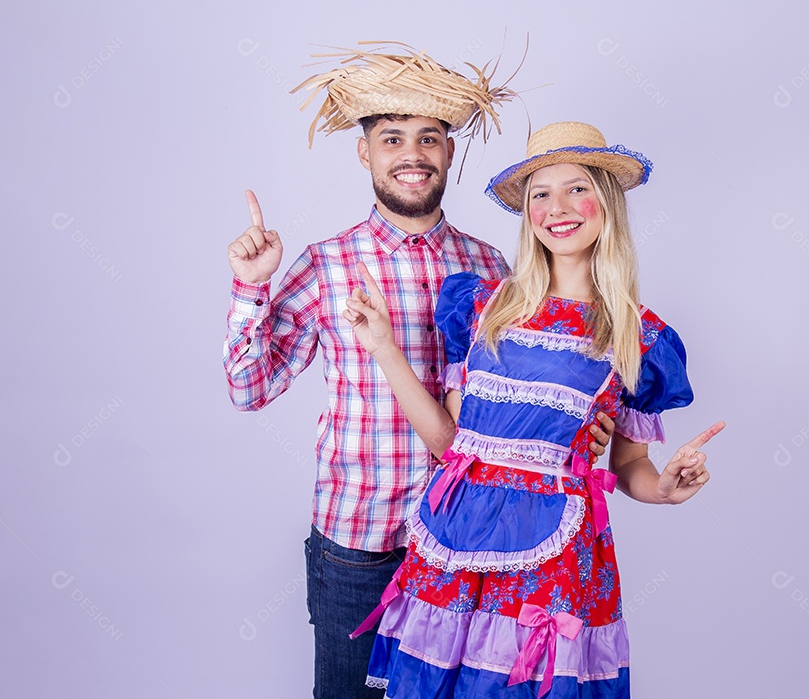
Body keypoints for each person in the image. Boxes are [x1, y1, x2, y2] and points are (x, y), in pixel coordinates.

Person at [223, 45, 616, 699]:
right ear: (365, 152)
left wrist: (587, 427)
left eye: (428, 138)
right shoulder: (328, 266)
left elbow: (543, 393)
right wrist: (250, 290)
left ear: (450, 152)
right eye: (393, 138)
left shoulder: (497, 270)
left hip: (476, 550)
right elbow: (248, 388)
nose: (413, 153)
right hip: (360, 550)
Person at [343, 120, 725, 698]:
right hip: (454, 542)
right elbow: (451, 446)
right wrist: (384, 349)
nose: (557, 207)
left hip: (553, 562)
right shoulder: (481, 306)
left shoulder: (637, 336)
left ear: (607, 202)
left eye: (576, 188)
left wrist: (665, 487)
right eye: (540, 194)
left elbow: (627, 468)